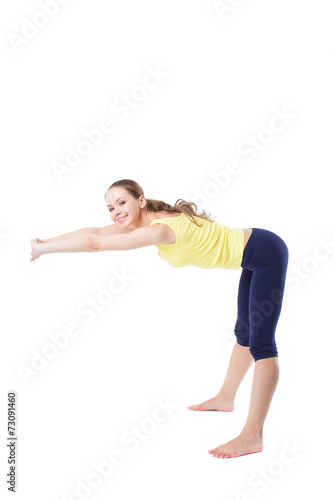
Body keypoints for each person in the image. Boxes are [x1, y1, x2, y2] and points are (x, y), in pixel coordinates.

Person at [30, 179, 289, 459]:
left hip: (265, 254)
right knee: (245, 333)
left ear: (141, 201)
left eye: (121, 202)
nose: (116, 211)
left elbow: (95, 243)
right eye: (110, 207)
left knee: (262, 344)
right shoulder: (145, 221)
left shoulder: (161, 230)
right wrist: (46, 241)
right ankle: (225, 398)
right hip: (254, 253)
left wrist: (44, 252)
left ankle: (252, 436)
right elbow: (93, 231)